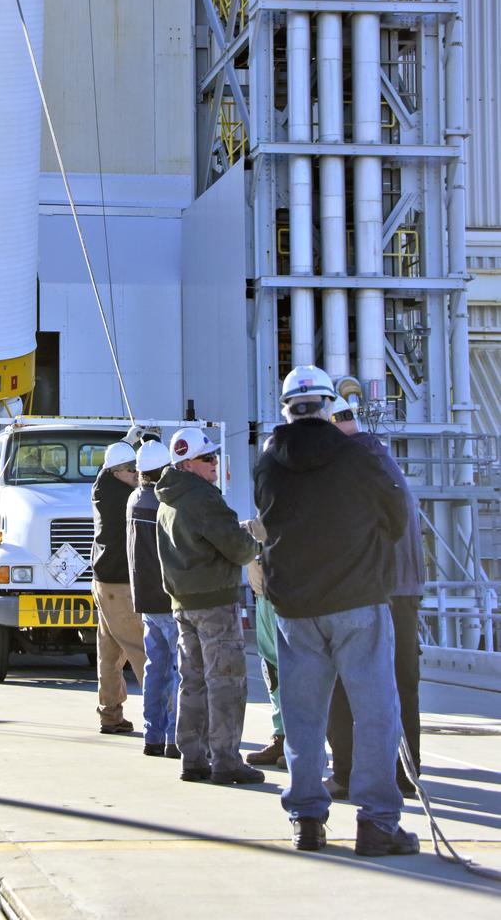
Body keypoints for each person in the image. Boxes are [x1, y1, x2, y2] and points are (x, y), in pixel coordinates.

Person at [254, 365, 419, 858]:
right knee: (376, 711)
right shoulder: (358, 455)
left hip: (295, 607)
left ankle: (307, 820)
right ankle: (377, 823)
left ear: (285, 409)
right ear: (327, 406)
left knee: (304, 716)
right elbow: (397, 514)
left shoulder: (268, 463)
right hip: (357, 600)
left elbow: (266, 521)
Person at [325, 395, 426, 799]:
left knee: (344, 684)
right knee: (403, 684)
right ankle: (407, 773)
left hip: (368, 590)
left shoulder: (347, 465)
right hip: (404, 590)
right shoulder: (383, 459)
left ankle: (347, 773)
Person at [155, 426, 263, 784]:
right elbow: (239, 548)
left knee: (193, 681)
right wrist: (256, 544)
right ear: (187, 464)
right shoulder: (203, 498)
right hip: (215, 603)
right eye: (207, 458)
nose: (215, 462)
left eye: (213, 455)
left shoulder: (167, 499)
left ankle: (194, 758)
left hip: (182, 603)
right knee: (226, 681)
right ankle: (227, 761)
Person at [126, 438, 181, 759]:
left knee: (155, 669)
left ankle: (153, 735)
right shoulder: (164, 503)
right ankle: (174, 737)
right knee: (177, 670)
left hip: (144, 597)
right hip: (167, 596)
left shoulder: (134, 499)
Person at [91, 440, 146, 734]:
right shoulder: (129, 498)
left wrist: (129, 440)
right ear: (116, 472)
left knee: (110, 654)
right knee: (141, 651)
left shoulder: (101, 488)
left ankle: (110, 714)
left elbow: (103, 469)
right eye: (130, 469)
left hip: (103, 585)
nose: (137, 473)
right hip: (122, 586)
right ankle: (162, 718)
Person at [246, 554, 286, 768]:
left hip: (286, 590)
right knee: (271, 669)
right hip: (263, 592)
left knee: (294, 669)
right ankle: (281, 736)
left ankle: (301, 743)